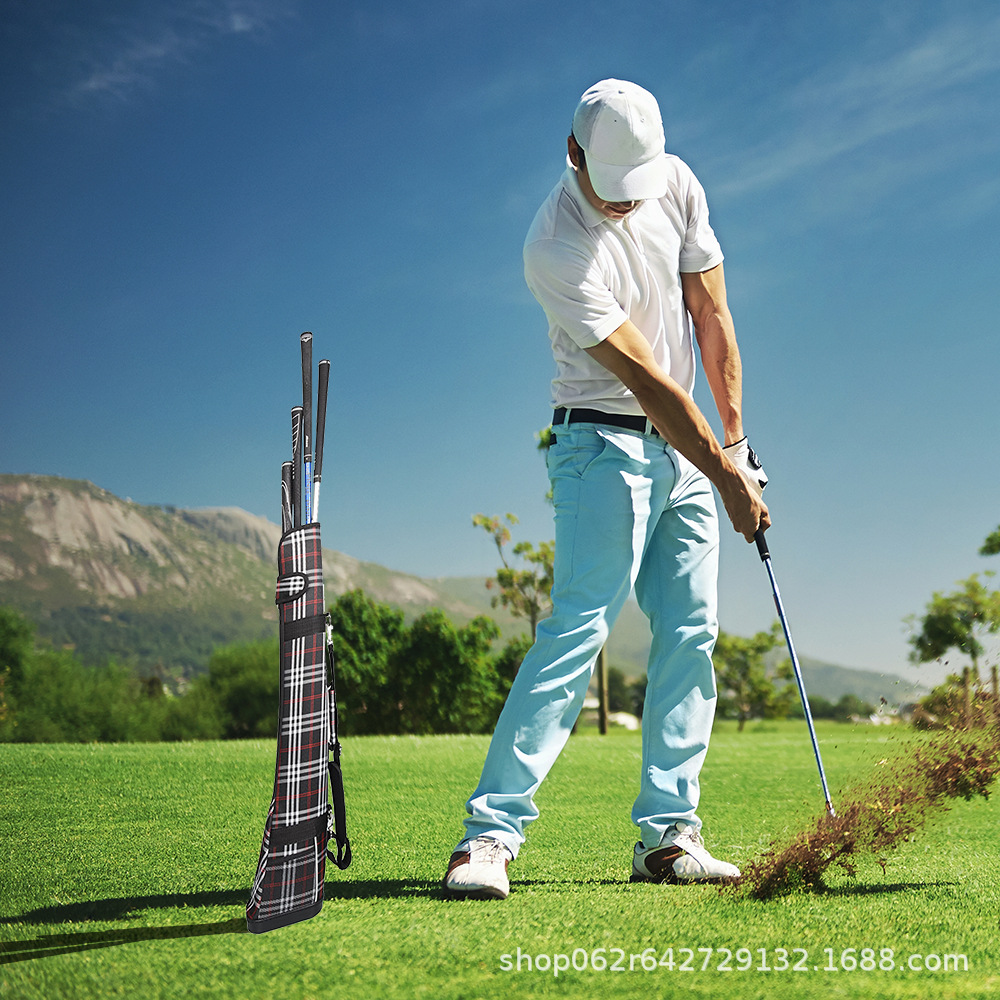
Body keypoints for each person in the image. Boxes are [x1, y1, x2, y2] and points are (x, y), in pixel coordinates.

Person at [443, 79, 770, 899]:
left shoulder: (675, 180)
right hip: (600, 443)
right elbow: (648, 377)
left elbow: (711, 311)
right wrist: (728, 477)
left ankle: (668, 836)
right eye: (611, 189)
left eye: (639, 186)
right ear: (572, 154)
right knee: (578, 629)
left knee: (693, 631)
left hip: (691, 450)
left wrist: (735, 444)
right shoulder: (553, 244)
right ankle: (489, 837)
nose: (628, 205)